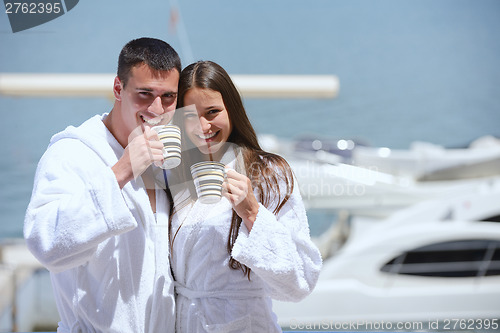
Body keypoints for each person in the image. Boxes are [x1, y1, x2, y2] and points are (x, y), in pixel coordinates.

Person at [24, 37, 180, 333]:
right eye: (144, 94)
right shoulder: (71, 153)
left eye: (169, 97)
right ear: (118, 89)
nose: (158, 109)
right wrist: (121, 171)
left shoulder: (169, 158)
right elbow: (45, 243)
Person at [168, 60, 322, 332]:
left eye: (212, 112)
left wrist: (252, 213)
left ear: (232, 110)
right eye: (190, 115)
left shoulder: (268, 173)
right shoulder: (175, 174)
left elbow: (301, 281)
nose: (202, 126)